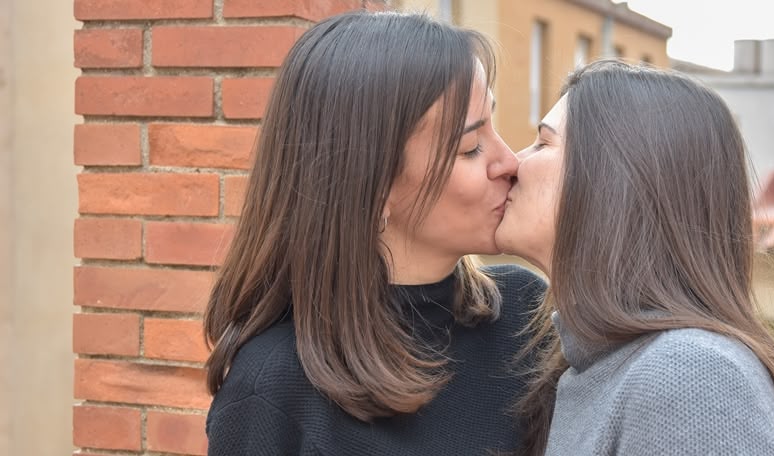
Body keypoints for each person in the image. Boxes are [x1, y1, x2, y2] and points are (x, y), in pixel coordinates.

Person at [203, 11, 546, 455]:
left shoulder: (528, 318)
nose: (509, 162)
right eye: (470, 147)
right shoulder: (274, 387)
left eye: (494, 129)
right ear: (372, 186)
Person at [496, 60, 774, 456]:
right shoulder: (594, 370)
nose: (513, 162)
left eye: (543, 143)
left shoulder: (688, 375)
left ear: (613, 180)